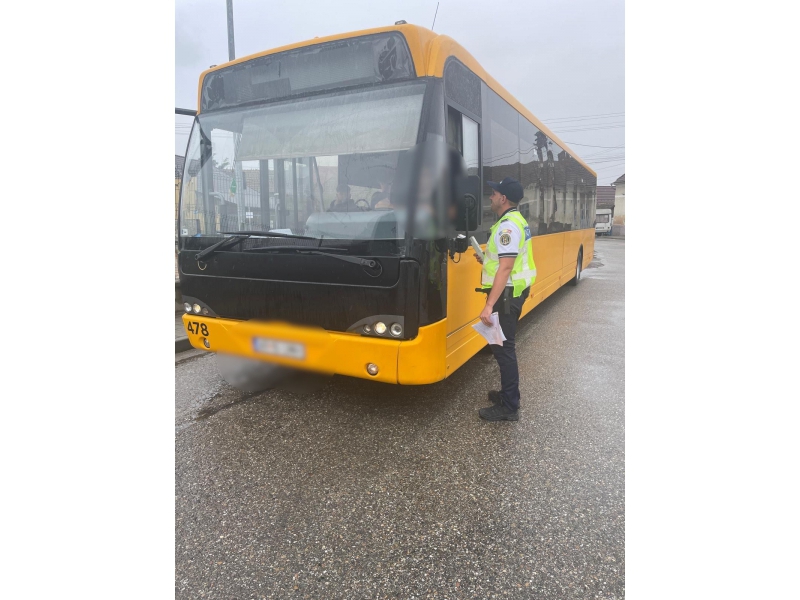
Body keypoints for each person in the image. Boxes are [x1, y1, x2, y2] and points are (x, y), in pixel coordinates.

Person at [473, 177, 536, 422]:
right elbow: (506, 260)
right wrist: (486, 259)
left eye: (493, 193)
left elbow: (507, 267)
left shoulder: (507, 227)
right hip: (512, 292)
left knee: (504, 349)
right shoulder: (516, 220)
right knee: (501, 347)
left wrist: (489, 305)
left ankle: (510, 406)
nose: (490, 197)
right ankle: (508, 396)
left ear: (503, 198)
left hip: (507, 295)